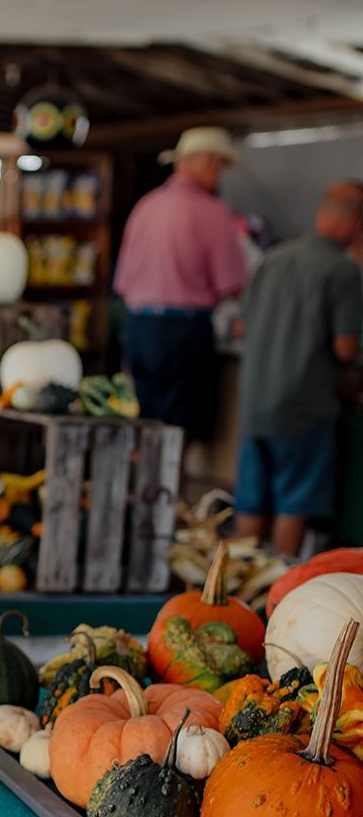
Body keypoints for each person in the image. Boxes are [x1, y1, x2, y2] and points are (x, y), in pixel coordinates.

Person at [234, 182, 363, 556]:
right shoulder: (343, 272)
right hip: (303, 407)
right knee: (294, 500)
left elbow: (241, 325)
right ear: (355, 221)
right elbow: (346, 348)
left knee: (251, 499)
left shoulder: (272, 258)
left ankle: (240, 585)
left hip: (255, 402)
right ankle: (277, 592)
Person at [113, 126, 248, 440]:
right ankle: (169, 490)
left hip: (138, 327)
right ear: (209, 163)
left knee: (142, 422)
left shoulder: (145, 206)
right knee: (176, 431)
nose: (220, 175)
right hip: (183, 333)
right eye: (220, 167)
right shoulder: (213, 212)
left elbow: (122, 283)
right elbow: (232, 285)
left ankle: (139, 486)